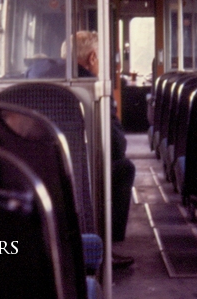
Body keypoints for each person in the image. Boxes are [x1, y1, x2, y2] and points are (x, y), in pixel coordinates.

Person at [74, 30, 136, 269]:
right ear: (92, 59)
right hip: (80, 171)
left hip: (36, 173)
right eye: (100, 58)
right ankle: (105, 244)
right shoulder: (94, 90)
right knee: (122, 168)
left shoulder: (34, 84)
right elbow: (117, 146)